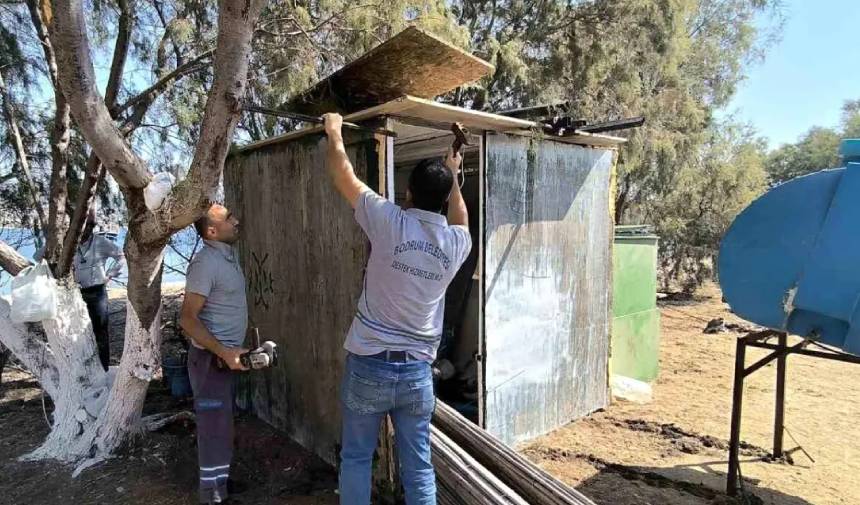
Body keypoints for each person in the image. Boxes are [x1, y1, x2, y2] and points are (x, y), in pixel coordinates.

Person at [323, 113, 472, 505]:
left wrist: (334, 129)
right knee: (418, 466)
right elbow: (460, 217)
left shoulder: (389, 221)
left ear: (407, 192)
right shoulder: (456, 244)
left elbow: (343, 175)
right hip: (416, 375)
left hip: (369, 365)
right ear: (443, 198)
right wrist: (453, 174)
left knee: (356, 457)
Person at [179, 203, 250, 505]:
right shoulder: (205, 264)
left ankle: (220, 482)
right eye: (228, 218)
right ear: (211, 231)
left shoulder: (226, 257)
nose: (236, 220)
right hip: (211, 362)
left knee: (223, 423)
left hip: (225, 360)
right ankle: (212, 495)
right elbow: (187, 318)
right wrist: (222, 351)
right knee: (212, 426)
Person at [64, 210, 125, 371]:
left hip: (97, 293)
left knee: (101, 333)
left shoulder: (100, 242)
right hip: (74, 294)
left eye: (90, 226)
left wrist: (110, 275)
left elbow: (121, 256)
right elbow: (38, 256)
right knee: (76, 332)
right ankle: (82, 370)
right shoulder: (66, 241)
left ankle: (103, 368)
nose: (87, 230)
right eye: (84, 226)